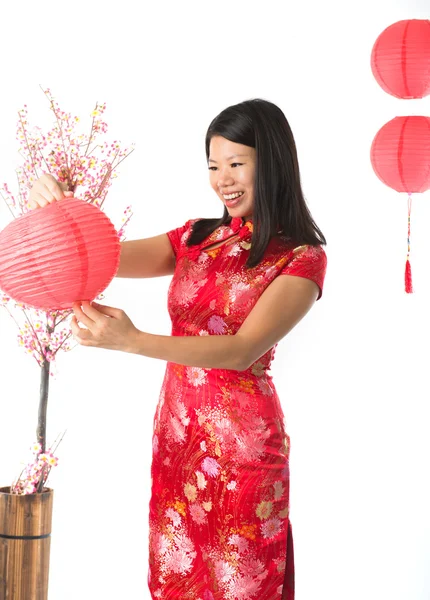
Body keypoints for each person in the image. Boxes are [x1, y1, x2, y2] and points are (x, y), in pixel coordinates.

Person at [29, 98, 327, 600]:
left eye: (237, 164)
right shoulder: (195, 236)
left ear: (272, 163)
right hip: (178, 442)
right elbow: (106, 257)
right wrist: (63, 213)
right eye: (214, 166)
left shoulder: (301, 257)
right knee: (177, 583)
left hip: (243, 453)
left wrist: (133, 341)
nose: (223, 179)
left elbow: (242, 350)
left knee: (244, 586)